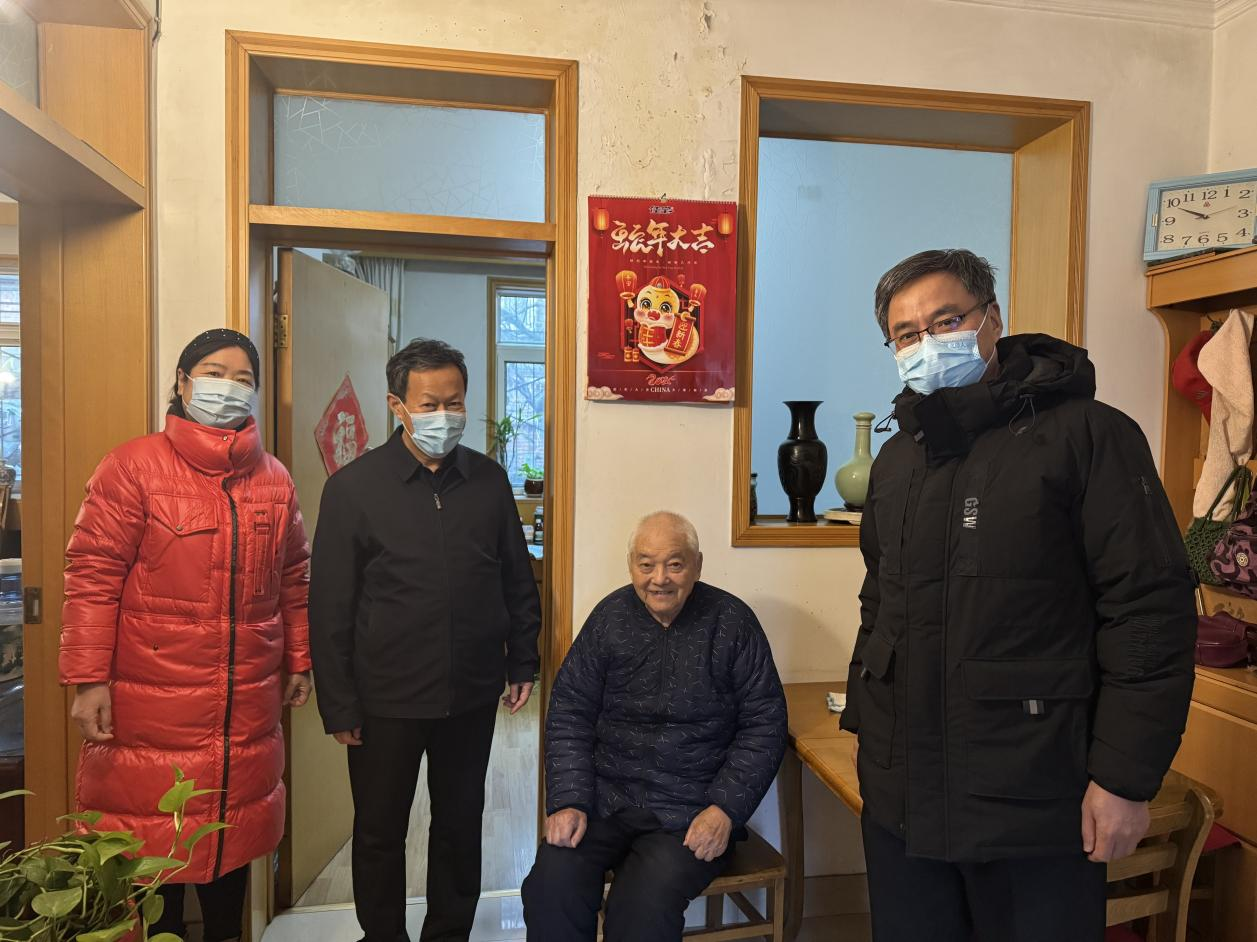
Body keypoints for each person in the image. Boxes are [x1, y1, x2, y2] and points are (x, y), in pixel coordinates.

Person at [840, 249, 1196, 941]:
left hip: (1035, 795)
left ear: (992, 320)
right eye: (906, 334)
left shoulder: (1089, 436)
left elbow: (1148, 614)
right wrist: (864, 729)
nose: (927, 343)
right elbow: (879, 603)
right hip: (902, 796)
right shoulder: (900, 457)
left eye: (946, 321)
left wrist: (1124, 780)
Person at [60, 328, 313, 942]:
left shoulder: (274, 479)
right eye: (214, 373)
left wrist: (300, 660)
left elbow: (294, 578)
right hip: (149, 709)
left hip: (243, 711)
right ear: (182, 382)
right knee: (151, 864)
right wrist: (88, 680)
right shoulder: (132, 467)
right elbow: (92, 576)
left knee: (231, 848)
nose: (228, 387)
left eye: (243, 379)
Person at [309, 337, 541, 942]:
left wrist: (523, 659)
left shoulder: (489, 481)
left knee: (460, 825)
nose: (445, 415)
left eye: (454, 402)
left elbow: (517, 578)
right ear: (398, 405)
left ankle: (448, 933)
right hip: (384, 698)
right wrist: (338, 703)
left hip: (470, 692)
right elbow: (329, 606)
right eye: (430, 404)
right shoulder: (353, 488)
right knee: (379, 830)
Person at [521, 511, 787, 942]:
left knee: (641, 909)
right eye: (646, 564)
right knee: (552, 886)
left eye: (674, 564)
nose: (659, 579)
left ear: (697, 565)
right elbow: (570, 710)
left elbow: (765, 723)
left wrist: (724, 810)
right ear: (631, 566)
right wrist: (568, 799)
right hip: (605, 800)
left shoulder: (732, 623)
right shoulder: (609, 618)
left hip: (691, 810)